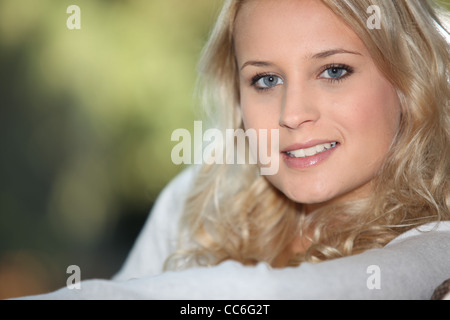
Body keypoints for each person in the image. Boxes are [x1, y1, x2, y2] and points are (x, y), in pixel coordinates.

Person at [19, 0, 450, 300]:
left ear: (407, 80)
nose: (292, 114)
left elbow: (263, 296)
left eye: (333, 70)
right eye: (265, 80)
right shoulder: (198, 199)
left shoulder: (437, 241)